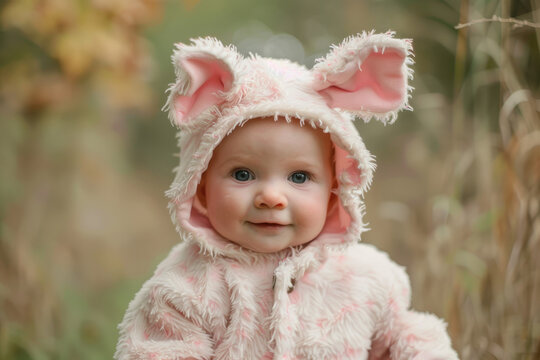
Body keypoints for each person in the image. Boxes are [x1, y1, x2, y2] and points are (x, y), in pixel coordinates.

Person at [114, 32, 459, 359]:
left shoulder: (366, 277)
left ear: (335, 191)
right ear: (200, 185)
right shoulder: (185, 288)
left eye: (299, 177)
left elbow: (406, 336)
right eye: (243, 174)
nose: (271, 197)